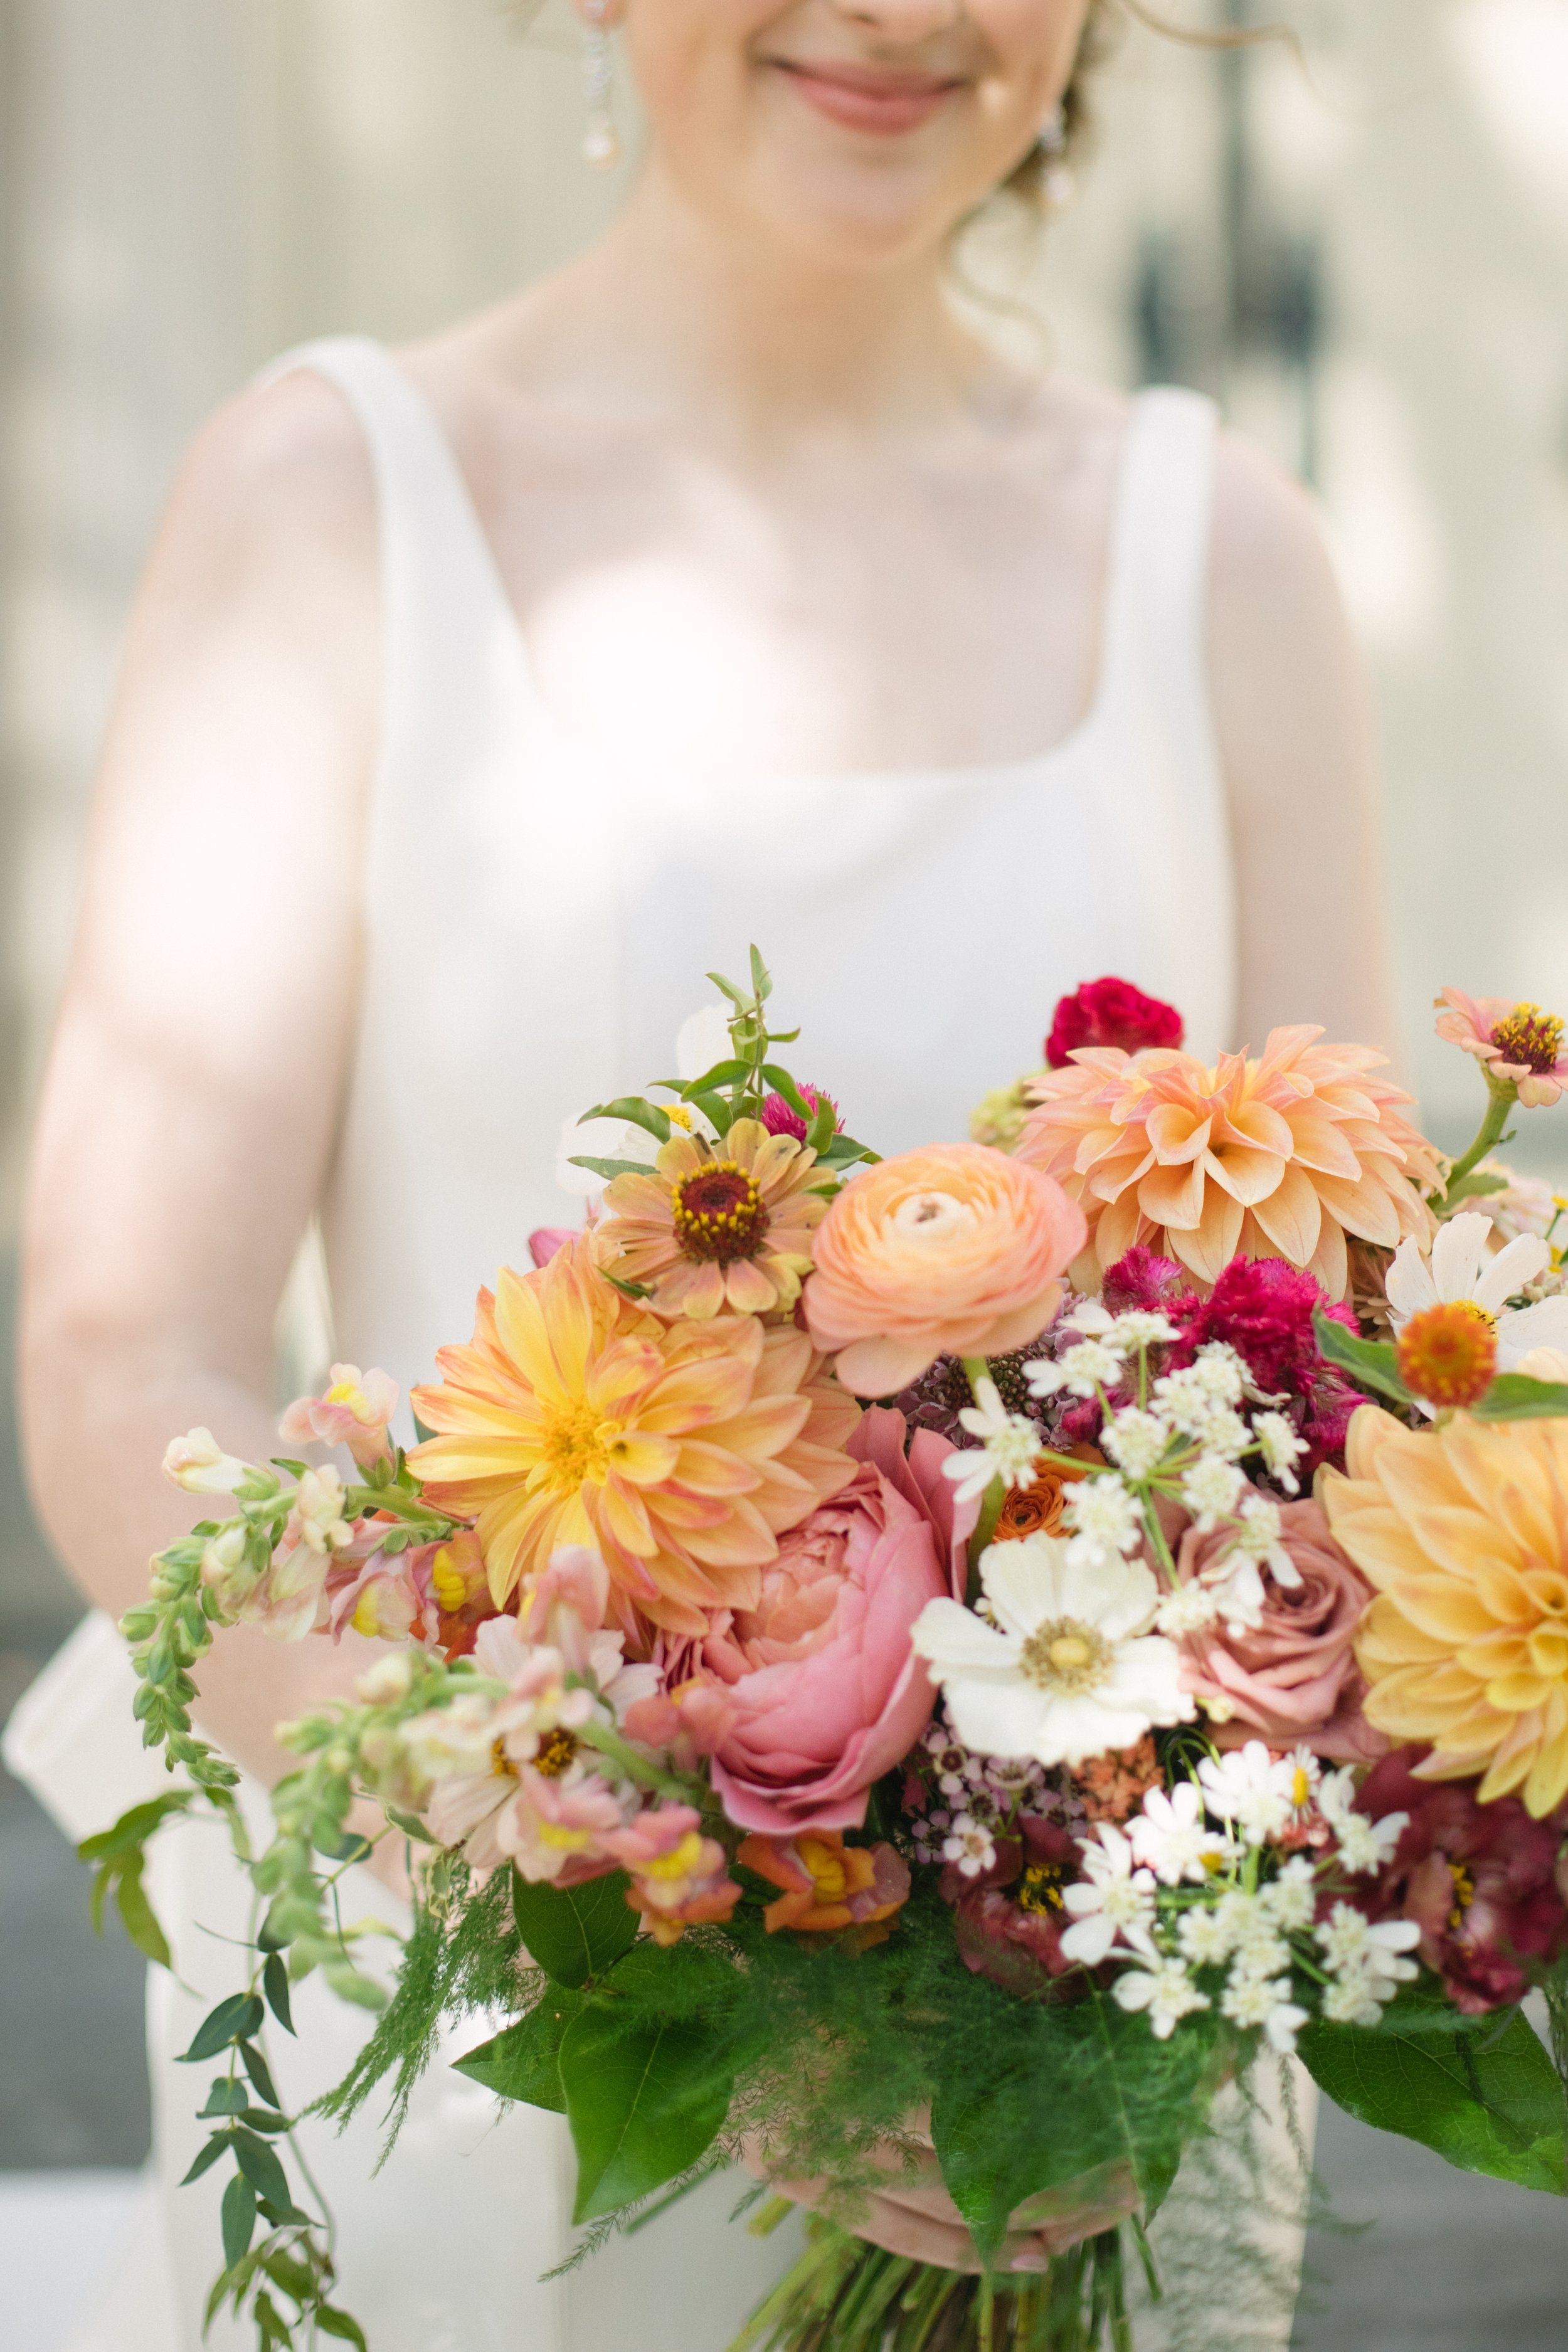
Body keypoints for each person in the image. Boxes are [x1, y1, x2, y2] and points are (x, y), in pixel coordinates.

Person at [13, 1, 1393, 2345]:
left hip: (1073, 2100)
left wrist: (1085, 1922)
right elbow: (123, 1354)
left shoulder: (1227, 560)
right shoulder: (332, 496)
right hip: (476, 2012)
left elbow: (1345, 1378)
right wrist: (605, 1884)